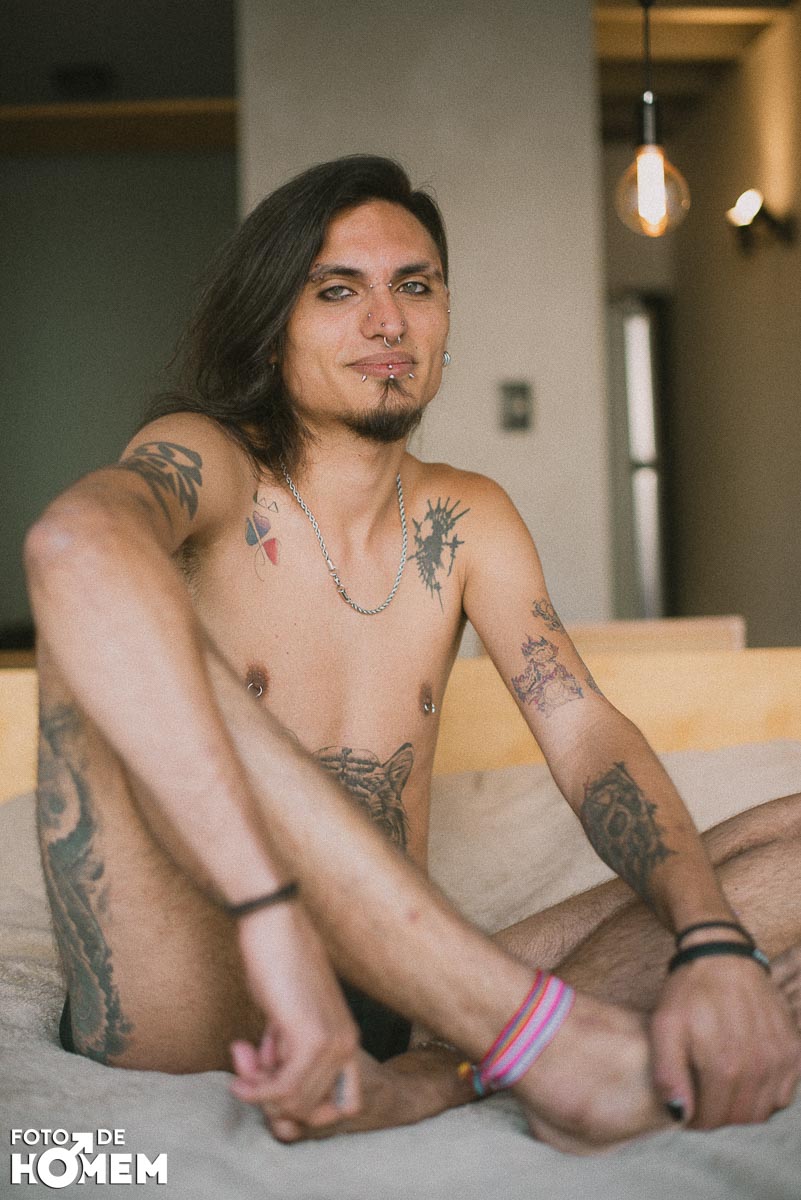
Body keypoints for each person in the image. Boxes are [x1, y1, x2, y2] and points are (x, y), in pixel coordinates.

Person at [24, 155, 801, 1154]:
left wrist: (711, 942)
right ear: (271, 326)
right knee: (108, 592)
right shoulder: (211, 463)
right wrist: (271, 915)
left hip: (395, 1000)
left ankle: (439, 1075)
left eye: (415, 286)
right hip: (183, 1005)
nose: (386, 321)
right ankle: (526, 1036)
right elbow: (73, 547)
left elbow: (583, 733)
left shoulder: (467, 515)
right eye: (337, 290)